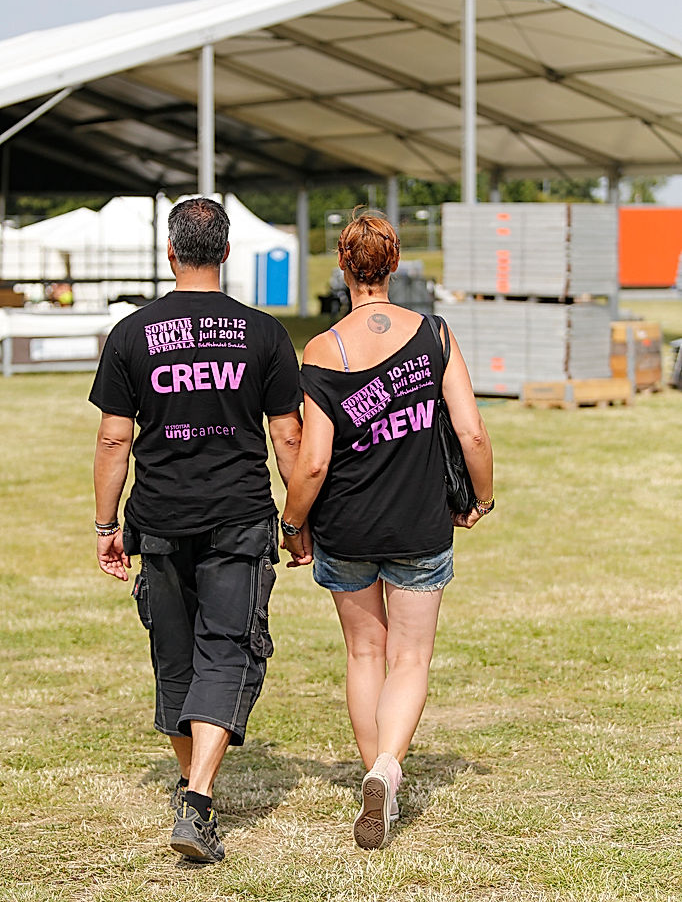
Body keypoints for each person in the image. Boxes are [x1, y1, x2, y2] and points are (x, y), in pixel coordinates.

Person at [89, 197, 302, 864]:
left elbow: (112, 438)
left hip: (158, 518)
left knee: (176, 655)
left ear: (171, 253)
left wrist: (105, 523)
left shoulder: (131, 333)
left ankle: (194, 786)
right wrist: (298, 520)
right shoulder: (264, 333)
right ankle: (200, 799)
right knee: (228, 649)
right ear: (229, 255)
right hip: (239, 514)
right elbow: (288, 437)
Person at [280, 208, 493, 850]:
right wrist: (481, 495)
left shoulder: (322, 350)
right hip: (421, 523)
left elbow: (313, 460)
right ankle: (387, 771)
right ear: (394, 266)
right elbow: (472, 430)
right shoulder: (434, 334)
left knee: (364, 653)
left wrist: (293, 524)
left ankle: (376, 776)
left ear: (343, 268)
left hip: (345, 526)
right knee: (411, 656)